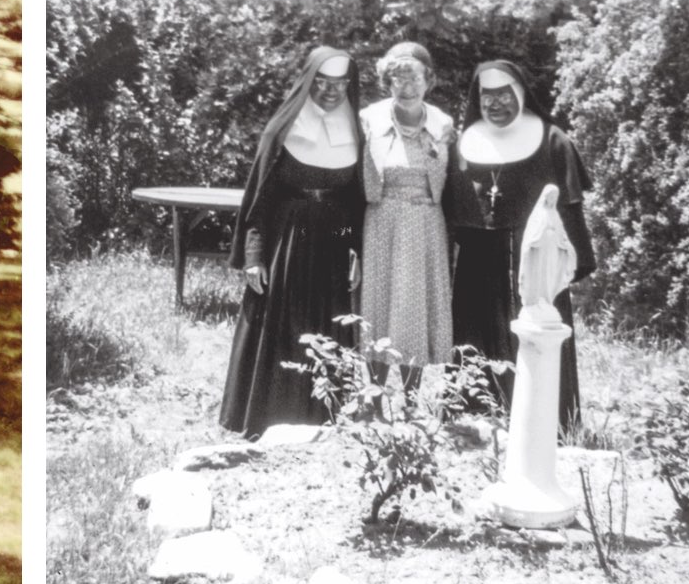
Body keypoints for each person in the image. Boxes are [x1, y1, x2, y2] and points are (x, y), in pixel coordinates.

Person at [220, 46, 365, 438]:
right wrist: (254, 255)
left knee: (330, 323)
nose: (331, 91)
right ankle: (265, 416)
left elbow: (355, 200)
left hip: (334, 239)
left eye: (340, 83)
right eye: (322, 81)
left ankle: (326, 417)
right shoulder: (282, 129)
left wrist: (357, 251)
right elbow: (260, 200)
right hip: (288, 237)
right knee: (282, 325)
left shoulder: (356, 129)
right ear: (308, 80)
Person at [444, 60, 596, 434]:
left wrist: (572, 263)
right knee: (474, 341)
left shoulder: (551, 140)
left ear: (521, 93)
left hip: (534, 264)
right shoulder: (462, 144)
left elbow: (571, 212)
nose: (494, 104)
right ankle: (473, 417)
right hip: (479, 261)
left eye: (503, 94)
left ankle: (548, 425)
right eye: (486, 96)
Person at [358, 42, 454, 409]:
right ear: (386, 81)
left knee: (416, 306)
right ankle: (374, 400)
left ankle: (412, 401)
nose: (406, 84)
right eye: (396, 77)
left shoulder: (443, 124)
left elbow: (453, 183)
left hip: (426, 224)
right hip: (381, 220)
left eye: (413, 75)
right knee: (378, 304)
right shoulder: (369, 118)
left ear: (428, 80)